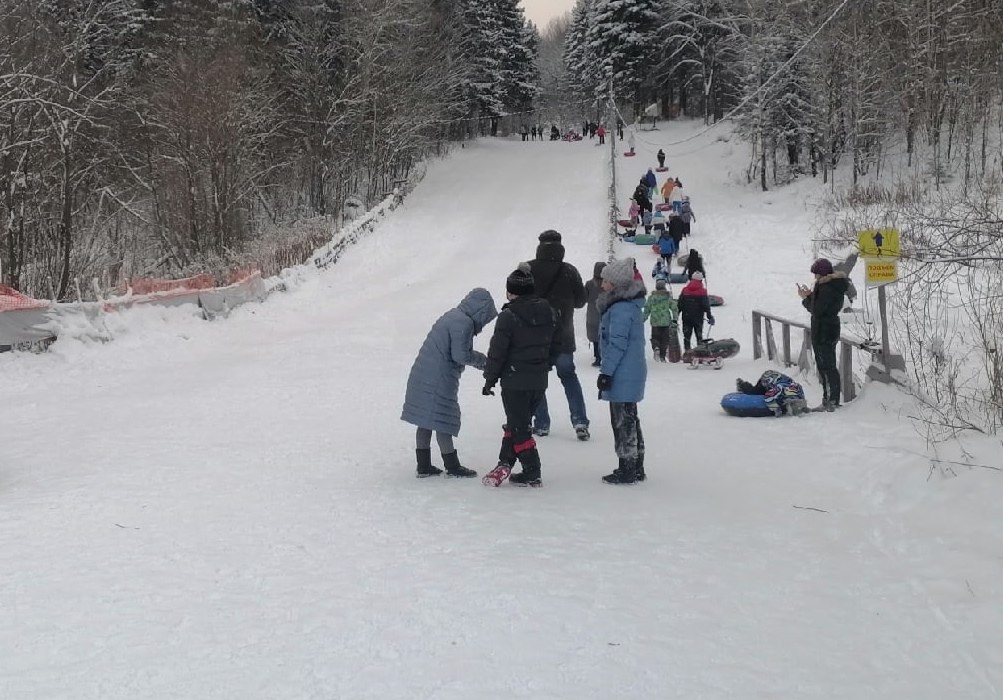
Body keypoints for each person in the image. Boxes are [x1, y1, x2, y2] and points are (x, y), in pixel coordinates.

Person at [401, 288, 498, 478]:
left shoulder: (453, 316)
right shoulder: (463, 323)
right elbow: (460, 355)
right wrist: (484, 362)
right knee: (443, 419)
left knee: (426, 420)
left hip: (424, 375)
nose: (484, 324)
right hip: (438, 379)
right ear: (481, 312)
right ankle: (452, 466)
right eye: (486, 318)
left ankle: (424, 465)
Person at [481, 266, 559, 487]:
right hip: (538, 380)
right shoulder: (548, 311)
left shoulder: (508, 316)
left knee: (519, 428)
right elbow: (555, 343)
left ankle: (532, 471)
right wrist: (544, 365)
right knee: (518, 423)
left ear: (511, 292)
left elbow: (498, 352)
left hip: (515, 381)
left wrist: (490, 378)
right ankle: (504, 462)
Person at [527, 230, 590, 440]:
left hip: (537, 338)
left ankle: (542, 423)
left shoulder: (529, 269)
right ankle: (580, 421)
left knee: (536, 380)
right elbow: (581, 301)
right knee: (569, 377)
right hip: (563, 336)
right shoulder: (569, 270)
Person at [596, 258, 648, 484]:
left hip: (622, 373)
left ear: (616, 284)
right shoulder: (627, 306)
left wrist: (606, 372)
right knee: (630, 418)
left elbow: (617, 344)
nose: (602, 284)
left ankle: (627, 468)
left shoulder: (620, 310)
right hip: (629, 371)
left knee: (622, 421)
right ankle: (636, 466)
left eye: (606, 280)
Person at [798, 258, 850, 411]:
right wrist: (810, 296)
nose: (815, 277)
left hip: (823, 331)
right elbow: (821, 307)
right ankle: (830, 400)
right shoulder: (834, 286)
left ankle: (830, 402)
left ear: (821, 274)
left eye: (816, 274)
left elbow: (817, 310)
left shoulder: (826, 287)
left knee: (825, 367)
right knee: (829, 366)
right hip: (830, 329)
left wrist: (806, 298)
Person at [736, 370, 808, 417]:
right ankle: (742, 385)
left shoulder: (799, 389)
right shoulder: (780, 389)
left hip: (777, 378)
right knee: (755, 392)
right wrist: (776, 409)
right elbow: (768, 396)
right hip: (766, 379)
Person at [676, 271, 714, 351]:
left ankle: (687, 353)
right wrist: (710, 317)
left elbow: (679, 304)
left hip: (686, 317)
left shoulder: (685, 290)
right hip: (698, 318)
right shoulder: (703, 291)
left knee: (687, 337)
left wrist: (676, 317)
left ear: (691, 279)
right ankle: (700, 352)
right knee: (699, 336)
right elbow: (706, 306)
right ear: (701, 280)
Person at [643, 279, 678, 362]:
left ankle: (656, 348)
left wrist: (643, 318)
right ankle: (662, 356)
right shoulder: (667, 297)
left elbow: (647, 309)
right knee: (665, 339)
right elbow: (674, 308)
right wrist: (675, 319)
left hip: (655, 321)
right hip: (666, 322)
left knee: (655, 337)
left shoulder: (651, 298)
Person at [585, 262, 607, 367]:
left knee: (595, 337)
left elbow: (585, 298)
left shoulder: (589, 284)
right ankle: (605, 356)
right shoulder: (609, 284)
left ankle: (597, 357)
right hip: (606, 314)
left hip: (593, 314)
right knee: (606, 335)